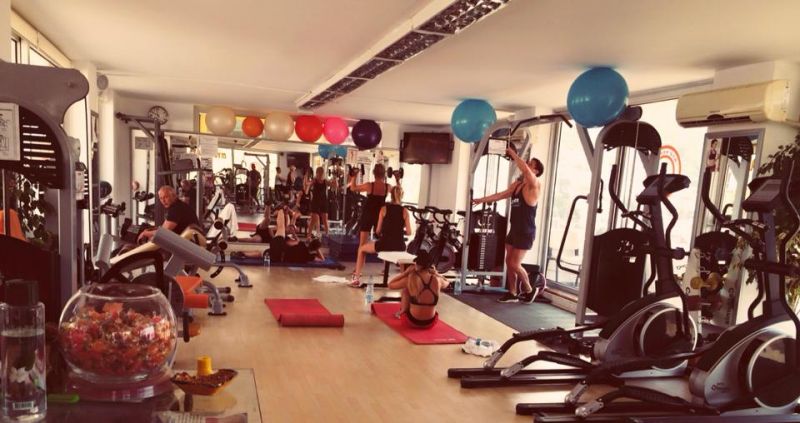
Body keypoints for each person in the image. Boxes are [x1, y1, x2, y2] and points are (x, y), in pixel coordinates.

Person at [472, 148, 543, 303]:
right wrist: (481, 200)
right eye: (527, 163)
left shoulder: (534, 185)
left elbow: (524, 169)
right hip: (514, 230)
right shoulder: (517, 186)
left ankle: (530, 289)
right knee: (509, 262)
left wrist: (512, 154)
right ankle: (512, 292)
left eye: (530, 164)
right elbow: (501, 195)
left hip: (526, 231)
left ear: (536, 171)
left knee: (514, 263)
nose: (527, 165)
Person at [350, 186, 412, 287]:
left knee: (361, 249)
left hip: (385, 244)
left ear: (391, 196)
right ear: (401, 196)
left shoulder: (384, 209)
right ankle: (405, 282)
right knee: (402, 253)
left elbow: (378, 230)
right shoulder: (405, 211)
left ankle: (356, 278)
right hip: (399, 245)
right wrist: (399, 230)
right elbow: (409, 232)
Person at [231, 205, 324, 263]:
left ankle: (280, 210)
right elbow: (322, 259)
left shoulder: (302, 245)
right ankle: (244, 253)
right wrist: (317, 248)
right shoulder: (309, 257)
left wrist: (296, 240)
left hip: (280, 248)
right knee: (261, 254)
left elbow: (289, 243)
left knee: (281, 227)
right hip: (278, 258)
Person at [387, 250, 449, 329]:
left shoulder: (411, 279)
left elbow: (391, 285)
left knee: (406, 289)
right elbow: (447, 282)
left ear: (417, 265)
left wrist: (405, 273)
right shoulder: (437, 280)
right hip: (430, 322)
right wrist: (436, 273)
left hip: (411, 322)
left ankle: (403, 311)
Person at [348, 163, 399, 247]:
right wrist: (397, 179)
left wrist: (354, 176)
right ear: (384, 174)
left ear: (373, 173)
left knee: (362, 243)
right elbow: (398, 193)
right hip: (380, 215)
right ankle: (379, 254)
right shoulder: (387, 187)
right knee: (381, 243)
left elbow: (353, 188)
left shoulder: (369, 185)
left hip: (368, 214)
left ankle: (361, 255)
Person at [309, 166, 337, 239]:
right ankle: (308, 236)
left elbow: (335, 187)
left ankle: (328, 236)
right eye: (319, 173)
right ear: (317, 173)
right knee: (313, 220)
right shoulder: (314, 181)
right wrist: (308, 182)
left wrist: (335, 179)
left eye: (321, 173)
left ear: (323, 174)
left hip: (323, 202)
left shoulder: (325, 181)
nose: (320, 175)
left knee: (325, 220)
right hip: (315, 202)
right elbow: (307, 187)